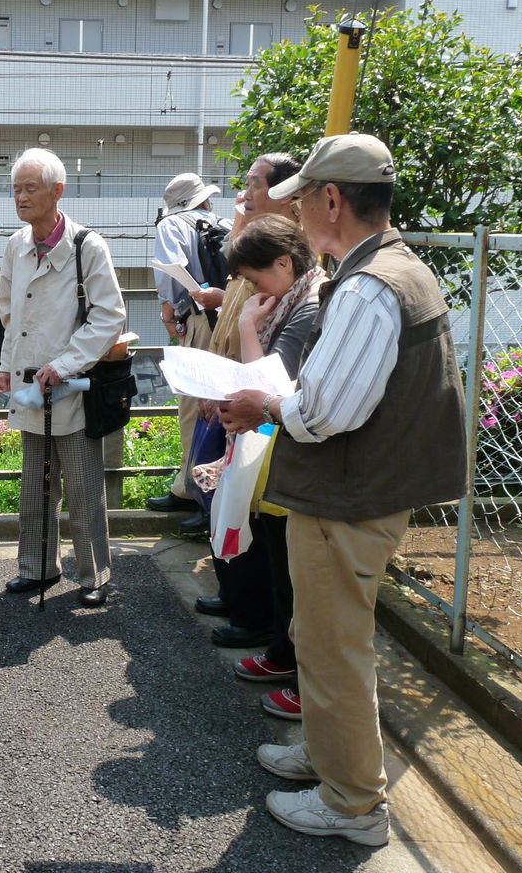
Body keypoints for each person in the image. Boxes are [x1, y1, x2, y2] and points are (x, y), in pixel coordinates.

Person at [219, 134, 467, 845]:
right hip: (361, 492)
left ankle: (354, 804)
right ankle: (330, 760)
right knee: (323, 638)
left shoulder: (366, 287)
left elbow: (326, 412)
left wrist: (265, 405)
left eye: (301, 198)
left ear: (332, 199)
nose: (294, 212)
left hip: (347, 496)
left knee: (333, 651)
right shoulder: (396, 269)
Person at [0, 148, 125, 607]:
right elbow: (9, 314)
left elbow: (109, 316)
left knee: (84, 489)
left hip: (73, 386)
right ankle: (37, 568)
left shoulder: (87, 245)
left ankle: (95, 577)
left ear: (57, 191)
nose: (21, 197)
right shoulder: (15, 244)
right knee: (35, 486)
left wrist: (65, 364)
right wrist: (5, 366)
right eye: (16, 189)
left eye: (31, 188)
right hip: (32, 386)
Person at [216, 215, 327, 722]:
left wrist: (246, 327)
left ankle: (305, 678)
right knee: (279, 559)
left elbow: (268, 382)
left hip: (298, 452)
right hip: (280, 448)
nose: (251, 289)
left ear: (284, 263)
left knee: (299, 574)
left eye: (253, 277)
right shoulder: (291, 299)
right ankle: (284, 654)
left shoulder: (310, 305)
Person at [193, 152, 302, 621]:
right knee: (221, 493)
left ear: (286, 194)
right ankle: (234, 593)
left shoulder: (289, 256)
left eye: (256, 183)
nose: (245, 193)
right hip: (229, 385)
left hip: (253, 398)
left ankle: (250, 607)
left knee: (245, 503)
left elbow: (272, 359)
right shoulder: (251, 243)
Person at [145, 173, 227, 533]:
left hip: (199, 321)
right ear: (204, 198)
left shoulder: (172, 225)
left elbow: (169, 275)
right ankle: (190, 488)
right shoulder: (224, 222)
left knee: (196, 409)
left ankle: (201, 496)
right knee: (221, 407)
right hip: (228, 318)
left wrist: (168, 314)